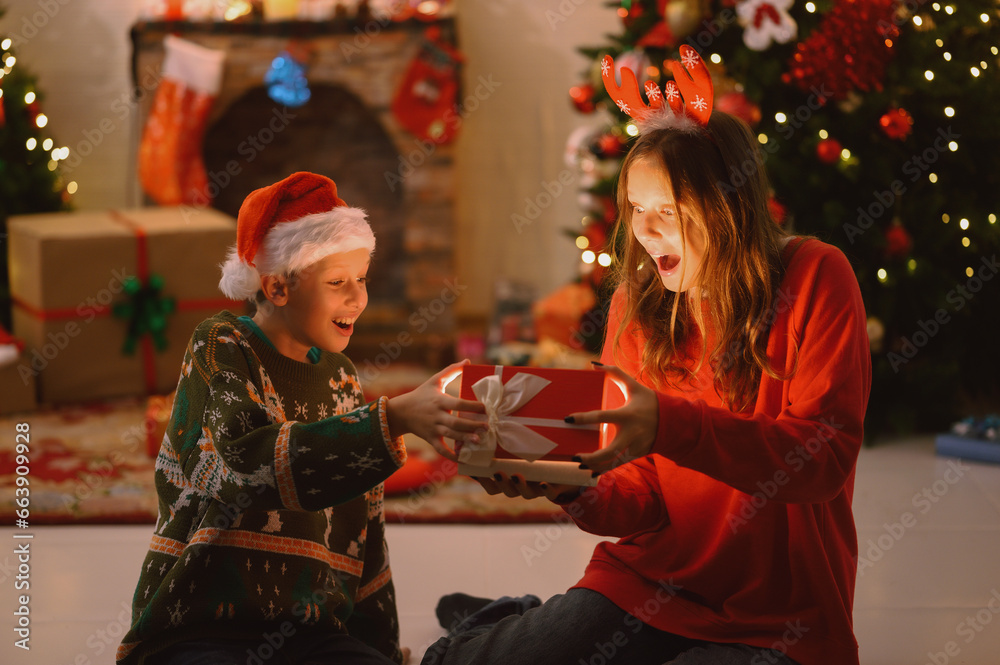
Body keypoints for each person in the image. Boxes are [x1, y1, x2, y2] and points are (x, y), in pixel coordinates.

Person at [421, 49, 871, 665]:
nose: (647, 231)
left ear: (730, 211)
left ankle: (509, 619)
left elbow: (821, 460)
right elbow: (636, 497)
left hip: (779, 620)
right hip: (648, 584)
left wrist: (667, 422)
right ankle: (504, 627)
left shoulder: (818, 275)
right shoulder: (637, 303)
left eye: (672, 212)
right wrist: (567, 483)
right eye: (636, 209)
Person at [116, 172, 485, 665]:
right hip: (201, 629)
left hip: (309, 632)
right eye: (338, 283)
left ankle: (493, 623)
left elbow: (364, 533)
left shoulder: (343, 380)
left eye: (362, 279)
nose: (358, 298)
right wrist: (392, 418)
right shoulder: (221, 345)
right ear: (277, 287)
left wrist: (376, 648)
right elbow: (245, 469)